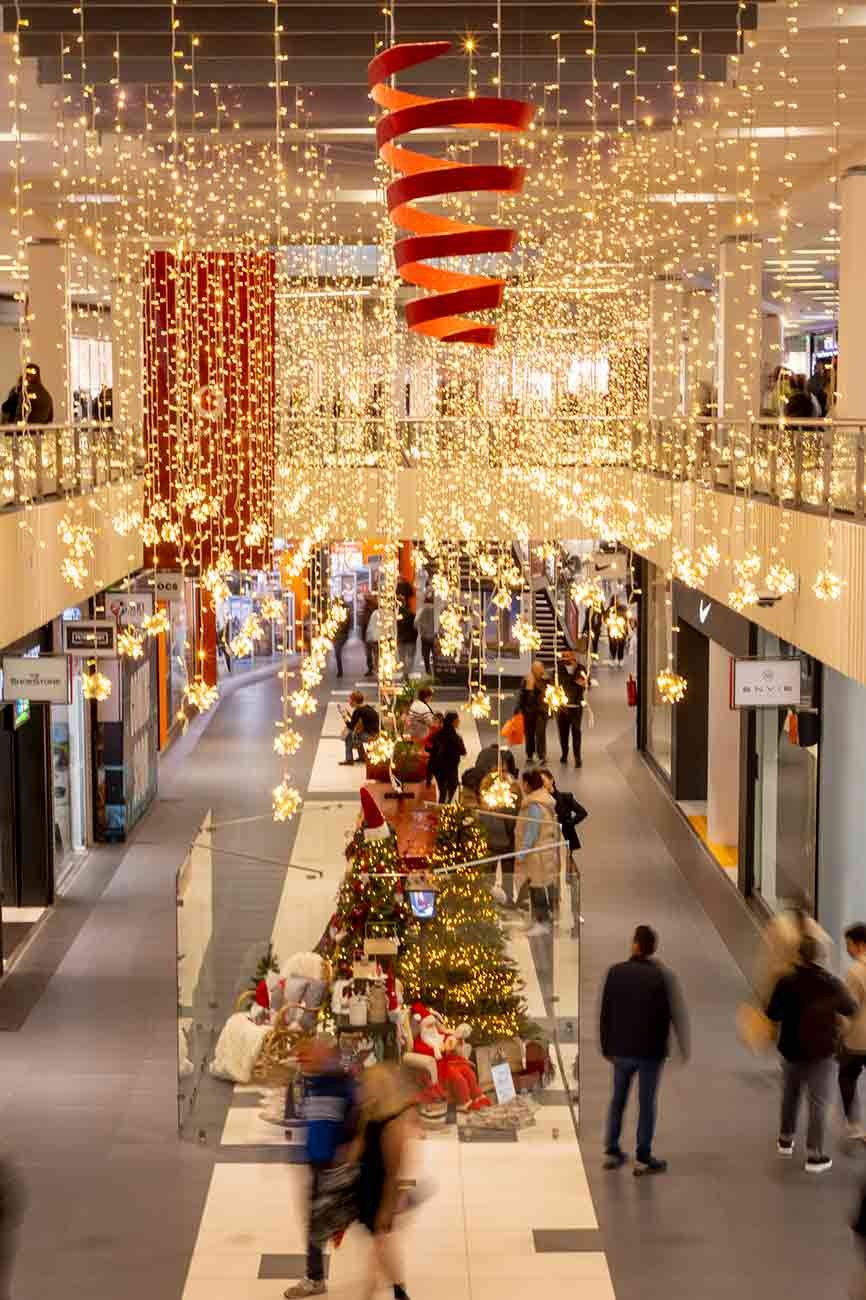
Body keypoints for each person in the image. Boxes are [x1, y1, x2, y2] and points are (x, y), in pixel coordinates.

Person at [600, 924, 689, 1175]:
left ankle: (612, 1148)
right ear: (653, 949)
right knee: (646, 1102)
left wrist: (606, 1045)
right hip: (651, 1052)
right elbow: (673, 1014)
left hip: (622, 1050)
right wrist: (680, 1045)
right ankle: (643, 1153)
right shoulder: (663, 976)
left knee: (618, 1099)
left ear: (636, 945)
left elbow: (606, 1013)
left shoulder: (616, 973)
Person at [766, 933, 856, 1173]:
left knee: (790, 1094)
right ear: (822, 957)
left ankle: (785, 1139)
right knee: (817, 1102)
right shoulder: (832, 983)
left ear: (800, 956)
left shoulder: (786, 981)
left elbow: (772, 1013)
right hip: (821, 1050)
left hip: (791, 1048)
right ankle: (814, 1155)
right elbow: (850, 1008)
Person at [284, 1037, 358, 1299]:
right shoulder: (311, 1082)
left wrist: (346, 1155)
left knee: (326, 1220)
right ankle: (315, 1276)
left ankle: (315, 1278)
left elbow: (356, 1117)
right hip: (318, 1161)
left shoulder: (339, 1083)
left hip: (334, 1164)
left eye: (307, 1057)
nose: (303, 1063)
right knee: (316, 1220)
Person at [350, 1063, 413, 1300]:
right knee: (379, 1245)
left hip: (380, 1191)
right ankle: (385, 1290)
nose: (363, 1089)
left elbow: (392, 1172)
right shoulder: (370, 1113)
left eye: (368, 1085)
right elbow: (360, 1145)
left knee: (381, 1244)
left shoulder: (393, 1125)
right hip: (366, 1184)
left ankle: (393, 1292)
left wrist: (387, 1209)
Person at [538, 767, 587, 937]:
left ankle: (573, 915)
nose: (543, 784)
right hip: (547, 844)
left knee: (570, 879)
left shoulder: (565, 797)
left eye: (544, 780)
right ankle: (553, 912)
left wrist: (568, 824)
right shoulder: (539, 802)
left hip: (564, 844)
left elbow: (582, 812)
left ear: (551, 780)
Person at [515, 768, 561, 937]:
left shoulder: (535, 806)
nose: (521, 786)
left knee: (538, 889)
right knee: (535, 888)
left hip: (537, 855)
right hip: (541, 853)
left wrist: (521, 854)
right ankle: (536, 920)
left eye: (523, 783)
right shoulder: (541, 801)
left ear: (527, 784)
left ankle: (542, 922)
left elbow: (531, 832)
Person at [479, 761, 522, 905]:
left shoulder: (486, 785)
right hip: (506, 841)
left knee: (489, 874)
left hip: (490, 841)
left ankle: (488, 901)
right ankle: (508, 900)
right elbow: (514, 814)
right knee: (507, 873)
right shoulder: (513, 788)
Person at [840, 923, 866, 1142]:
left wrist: (839, 1033)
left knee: (847, 1076)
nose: (847, 949)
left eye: (849, 945)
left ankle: (855, 1124)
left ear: (861, 945)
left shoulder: (855, 971)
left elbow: (849, 1008)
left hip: (858, 1039)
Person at [425, 710, 466, 804]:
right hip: (450, 768)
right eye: (458, 720)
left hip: (438, 768)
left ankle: (441, 810)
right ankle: (445, 809)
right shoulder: (455, 737)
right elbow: (463, 751)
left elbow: (428, 747)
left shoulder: (437, 734)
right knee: (451, 788)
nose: (459, 722)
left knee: (442, 791)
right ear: (454, 722)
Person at [556, 651, 587, 767]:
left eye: (568, 656)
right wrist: (575, 680)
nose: (566, 659)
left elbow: (585, 682)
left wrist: (584, 682)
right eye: (564, 657)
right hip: (562, 707)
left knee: (576, 731)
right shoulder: (559, 669)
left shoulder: (581, 669)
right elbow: (563, 683)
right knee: (563, 733)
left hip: (576, 707)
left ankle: (577, 757)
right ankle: (564, 753)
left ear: (574, 657)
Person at [517, 660, 548, 763]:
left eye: (539, 670)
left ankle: (541, 755)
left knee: (540, 733)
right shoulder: (526, 679)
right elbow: (522, 696)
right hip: (528, 711)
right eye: (535, 670)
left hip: (541, 711)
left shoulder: (546, 680)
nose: (537, 672)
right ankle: (529, 754)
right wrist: (519, 709)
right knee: (529, 733)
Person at [340, 691, 380, 766]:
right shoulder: (367, 707)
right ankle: (362, 757)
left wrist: (344, 717)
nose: (349, 702)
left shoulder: (358, 711)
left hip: (371, 736)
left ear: (355, 701)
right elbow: (359, 722)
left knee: (348, 736)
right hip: (376, 733)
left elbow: (351, 726)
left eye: (350, 700)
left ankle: (349, 759)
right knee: (358, 734)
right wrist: (349, 715)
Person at [414, 593, 437, 676]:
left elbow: (416, 623)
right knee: (435, 654)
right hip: (434, 636)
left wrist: (420, 631)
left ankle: (428, 671)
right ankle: (435, 670)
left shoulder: (421, 610)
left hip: (424, 636)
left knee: (426, 654)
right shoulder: (435, 610)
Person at [397, 580, 416, 675]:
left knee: (402, 657)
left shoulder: (398, 616)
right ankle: (406, 673)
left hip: (402, 639)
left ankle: (405, 673)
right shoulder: (412, 615)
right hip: (411, 639)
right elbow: (415, 626)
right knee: (410, 657)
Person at [331, 597, 350, 679]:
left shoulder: (344, 612)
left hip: (341, 635)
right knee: (337, 652)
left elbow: (347, 624)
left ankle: (340, 671)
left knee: (337, 652)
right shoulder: (334, 612)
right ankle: (340, 670)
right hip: (337, 635)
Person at [360, 591, 378, 676]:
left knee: (374, 652)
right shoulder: (366, 608)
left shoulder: (374, 607)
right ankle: (371, 668)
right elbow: (363, 622)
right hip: (368, 634)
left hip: (373, 634)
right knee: (369, 653)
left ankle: (375, 668)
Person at [365, 604, 381, 677]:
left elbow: (369, 627)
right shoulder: (375, 613)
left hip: (373, 637)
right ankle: (376, 668)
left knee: (376, 653)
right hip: (375, 637)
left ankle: (376, 668)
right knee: (376, 653)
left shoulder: (374, 614)